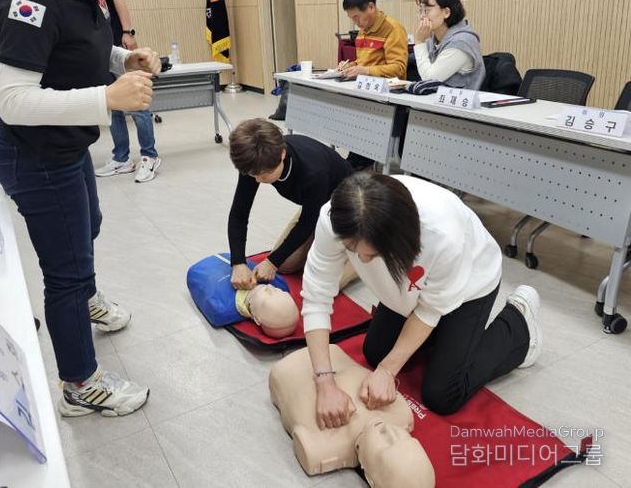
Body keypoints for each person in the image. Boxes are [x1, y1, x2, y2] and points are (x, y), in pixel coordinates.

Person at [0, 0, 161, 417]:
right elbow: (13, 100)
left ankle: (86, 299)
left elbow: (75, 47)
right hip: (35, 155)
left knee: (89, 228)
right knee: (65, 269)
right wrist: (107, 98)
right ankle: (80, 385)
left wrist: (122, 59)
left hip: (66, 146)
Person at [301, 172, 542, 425]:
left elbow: (429, 309)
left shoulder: (443, 236)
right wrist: (324, 382)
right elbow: (316, 294)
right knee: (375, 353)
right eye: (352, 250)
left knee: (442, 394)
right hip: (408, 291)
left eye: (372, 255)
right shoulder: (336, 219)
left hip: (471, 284)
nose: (361, 261)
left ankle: (519, 323)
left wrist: (387, 370)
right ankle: (444, 337)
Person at [269, 344, 435, 487]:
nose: (390, 430)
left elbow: (303, 440)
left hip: (287, 369)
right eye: (405, 438)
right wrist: (386, 371)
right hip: (329, 351)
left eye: (387, 443)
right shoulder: (400, 413)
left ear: (370, 479)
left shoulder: (321, 447)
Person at [228, 118, 353, 290]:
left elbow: (307, 222)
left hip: (347, 203)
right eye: (252, 174)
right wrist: (238, 262)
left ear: (282, 154)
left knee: (328, 284)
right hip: (315, 203)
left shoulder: (313, 172)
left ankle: (364, 254)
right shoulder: (254, 162)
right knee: (286, 264)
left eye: (264, 175)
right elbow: (239, 214)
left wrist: (272, 263)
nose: (257, 180)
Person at [95, 0, 162, 183]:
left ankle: (150, 156)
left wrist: (128, 33)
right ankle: (121, 158)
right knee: (113, 106)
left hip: (119, 48)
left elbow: (118, 1)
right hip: (101, 51)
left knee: (138, 106)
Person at [340, 0, 408, 170]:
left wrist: (366, 71)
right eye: (352, 18)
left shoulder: (393, 29)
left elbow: (399, 68)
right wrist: (350, 66)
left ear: (371, 7)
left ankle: (362, 158)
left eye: (357, 17)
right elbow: (364, 62)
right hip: (365, 91)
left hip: (386, 96)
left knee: (360, 116)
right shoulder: (363, 29)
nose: (356, 23)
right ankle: (358, 155)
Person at [413, 0, 486, 89]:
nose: (422, 16)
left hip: (458, 98)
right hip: (434, 97)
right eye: (421, 11)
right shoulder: (432, 38)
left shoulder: (461, 41)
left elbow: (429, 79)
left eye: (427, 10)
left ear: (446, 12)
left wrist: (419, 42)